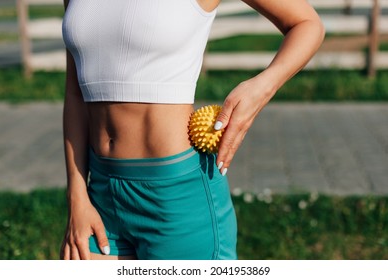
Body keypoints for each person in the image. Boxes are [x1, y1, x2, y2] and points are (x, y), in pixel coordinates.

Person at [60, 0, 325, 260]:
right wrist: (77, 194)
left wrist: (261, 88)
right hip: (101, 192)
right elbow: (74, 93)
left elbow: (306, 23)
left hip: (178, 196)